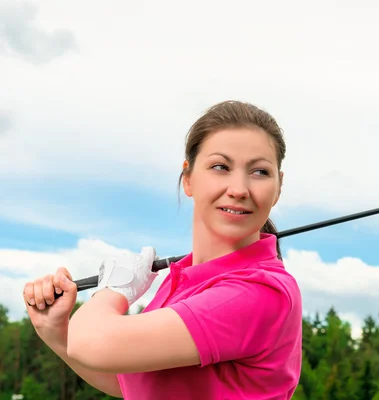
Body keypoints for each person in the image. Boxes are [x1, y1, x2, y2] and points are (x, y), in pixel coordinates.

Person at [22, 100, 303, 399]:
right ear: (188, 178)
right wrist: (56, 334)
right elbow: (133, 381)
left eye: (259, 172)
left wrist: (114, 290)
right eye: (221, 167)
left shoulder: (260, 290)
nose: (239, 189)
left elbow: (94, 343)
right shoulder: (180, 282)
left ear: (279, 187)